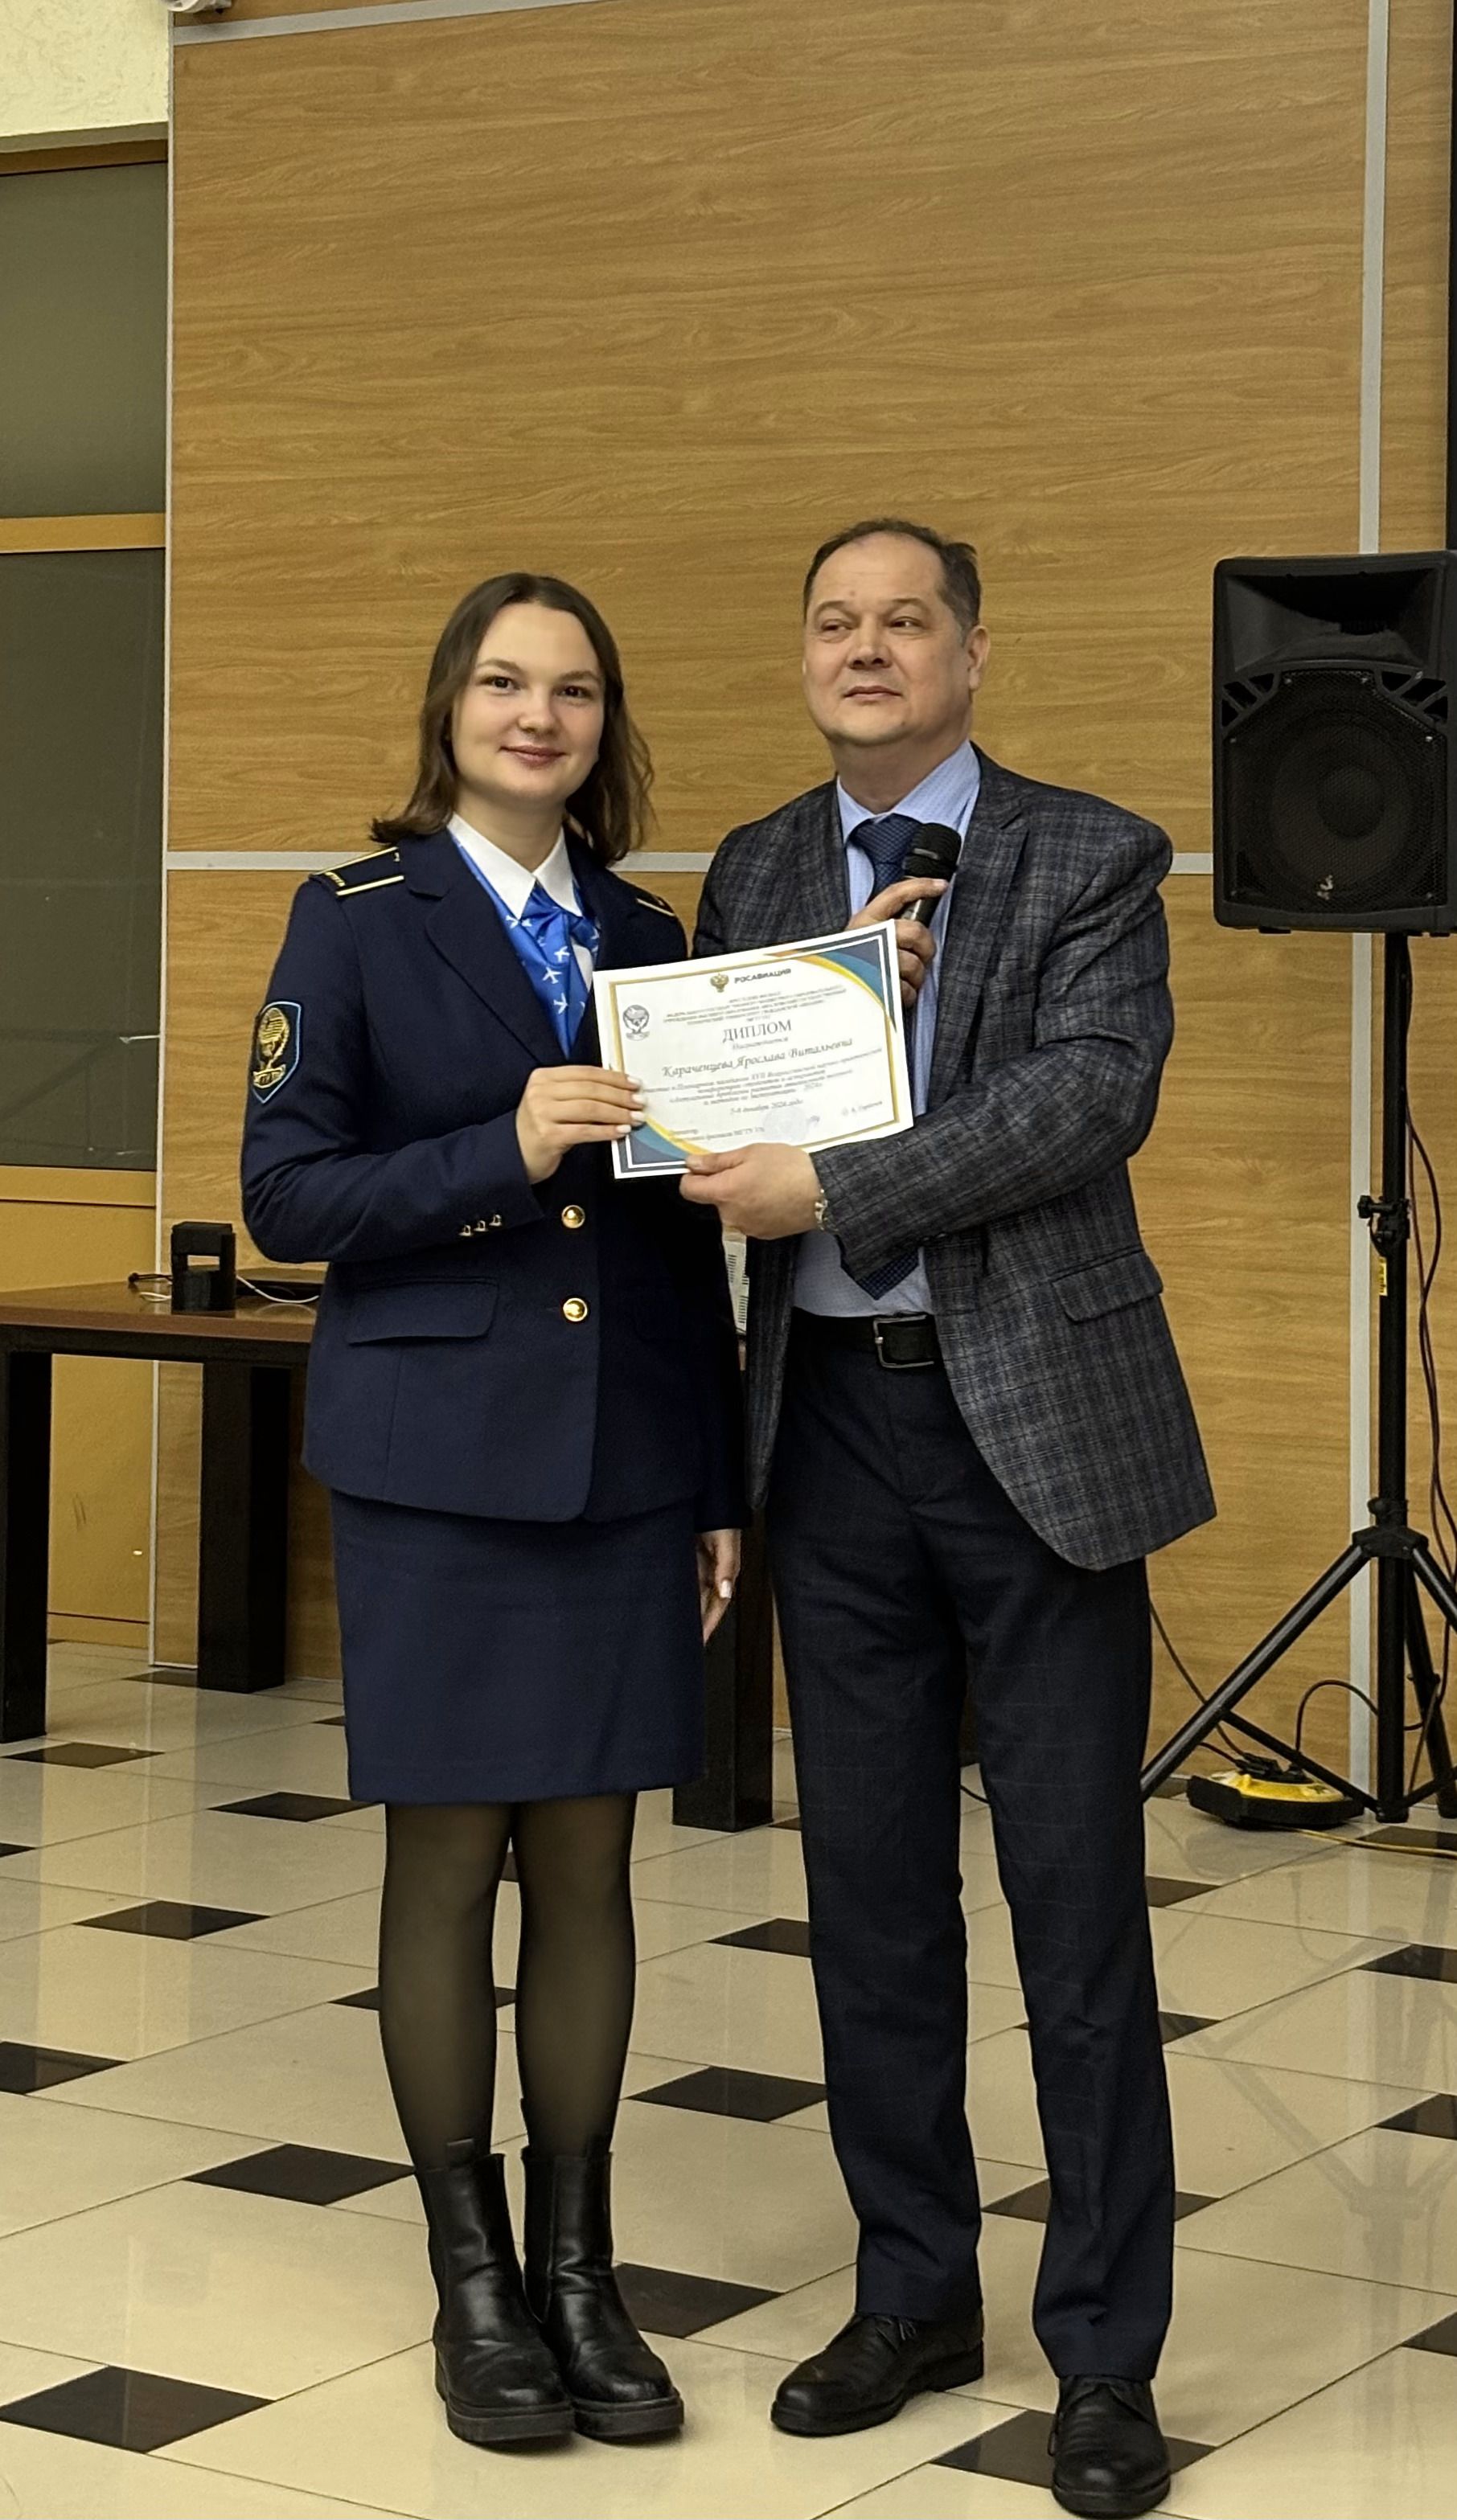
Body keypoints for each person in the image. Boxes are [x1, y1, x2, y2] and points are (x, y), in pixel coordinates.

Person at [684, 519, 1213, 2520]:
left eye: (906, 620)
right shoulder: (755, 870)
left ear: (973, 651)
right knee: (873, 1899)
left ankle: (1107, 2351)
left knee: (1076, 1901)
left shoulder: (1092, 852)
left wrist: (841, 1170)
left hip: (1036, 1434)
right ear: (805, 655)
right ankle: (912, 2288)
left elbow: (1087, 1098)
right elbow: (698, 1116)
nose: (868, 648)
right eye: (836, 621)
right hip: (826, 1432)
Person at [240, 572, 745, 2452]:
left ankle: (581, 2268)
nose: (540, 716)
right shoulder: (353, 915)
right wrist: (503, 1148)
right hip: (436, 1465)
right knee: (449, 1864)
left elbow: (683, 1248)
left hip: (623, 1462)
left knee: (594, 1864)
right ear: (451, 705)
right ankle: (473, 2278)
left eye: (576, 689)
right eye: (507, 682)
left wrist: (715, 1479)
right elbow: (289, 1193)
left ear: (606, 725)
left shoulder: (649, 933)